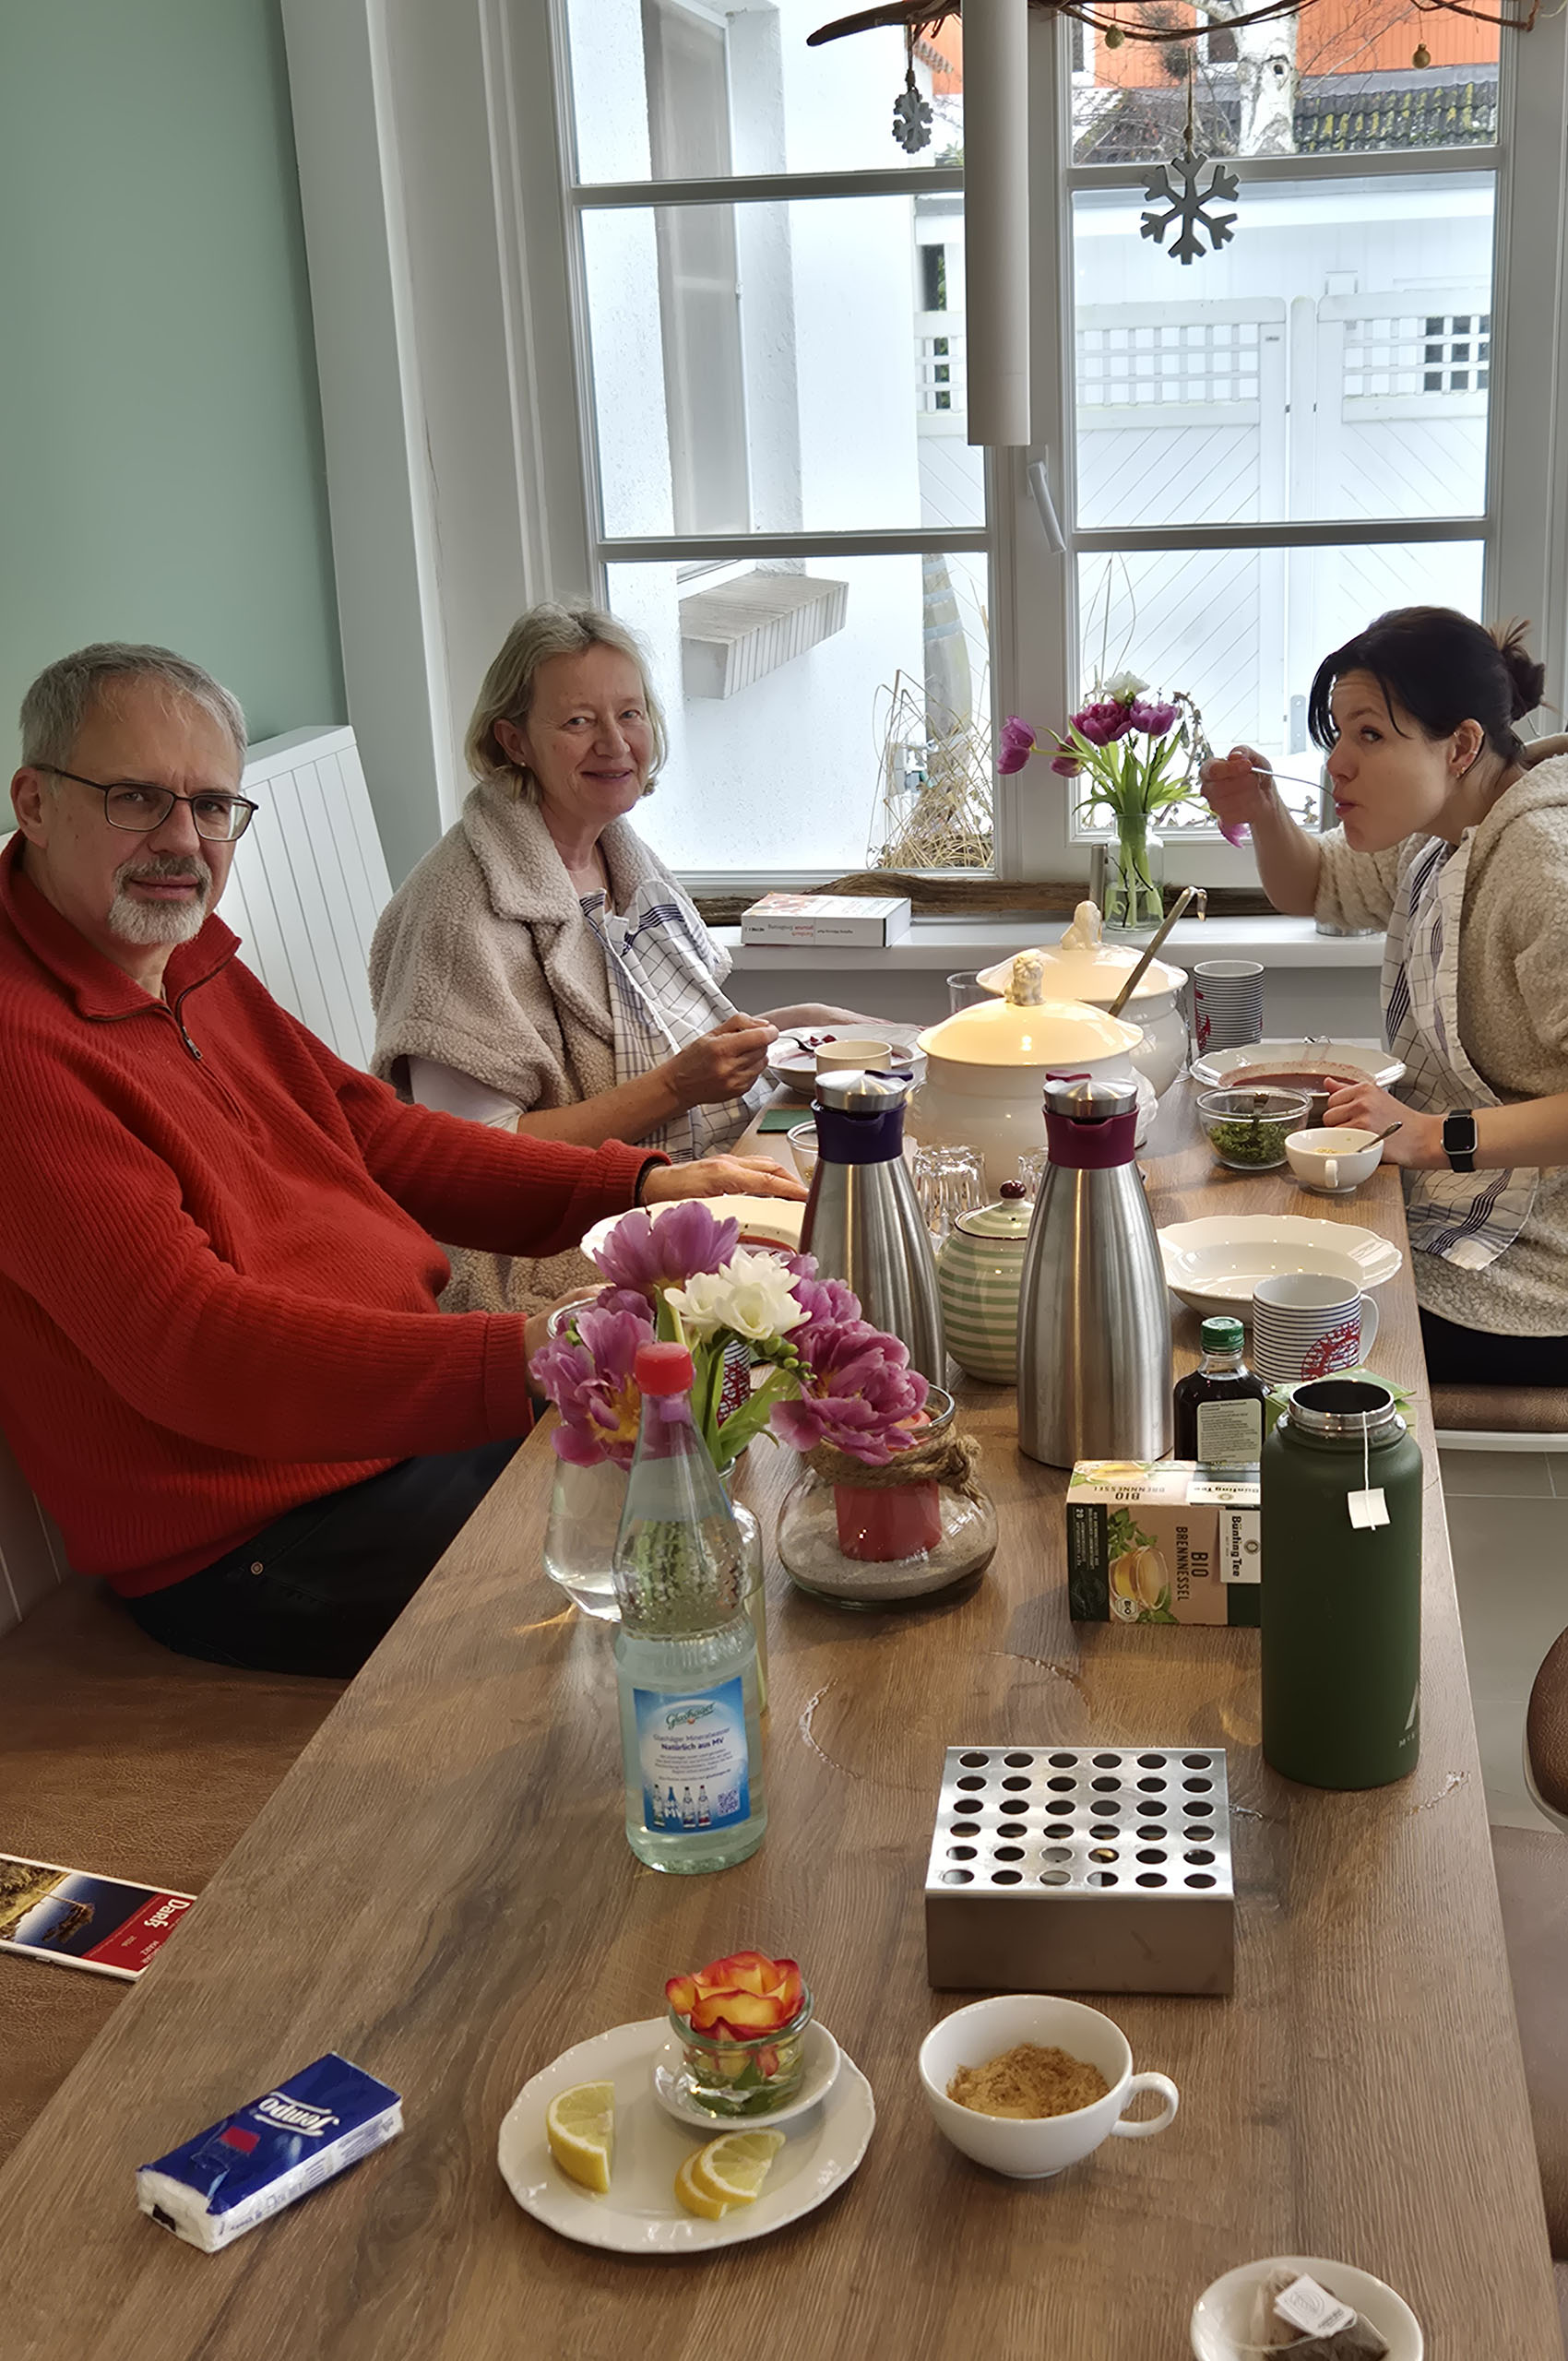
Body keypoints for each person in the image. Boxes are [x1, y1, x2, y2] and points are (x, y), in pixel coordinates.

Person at [0, 643, 803, 1678]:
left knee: (738, 1454)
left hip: (383, 1433)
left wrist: (635, 1183)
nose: (180, 841)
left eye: (210, 807)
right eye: (135, 798)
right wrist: (522, 1352)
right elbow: (197, 1349)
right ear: (33, 799)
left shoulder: (178, 954)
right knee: (691, 1558)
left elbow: (371, 1134)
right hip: (259, 1535)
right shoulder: (24, 1053)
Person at [369, 601, 857, 1312]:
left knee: (863, 1200)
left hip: (670, 1183)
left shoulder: (619, 856)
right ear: (514, 740)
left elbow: (684, 1046)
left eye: (630, 714)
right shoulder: (456, 909)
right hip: (539, 1250)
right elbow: (474, 1160)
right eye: (577, 721)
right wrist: (674, 1089)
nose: (614, 743)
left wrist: (802, 1024)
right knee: (837, 1263)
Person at [1202, 606, 1568, 1383]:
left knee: (1258, 1327)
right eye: (1337, 732)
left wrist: (1428, 1136)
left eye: (1370, 734)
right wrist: (1266, 812)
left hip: (1537, 1280)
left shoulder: (1542, 867)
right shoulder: (1439, 832)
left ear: (1462, 745)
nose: (1338, 763)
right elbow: (1315, 883)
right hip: (1465, 1217)